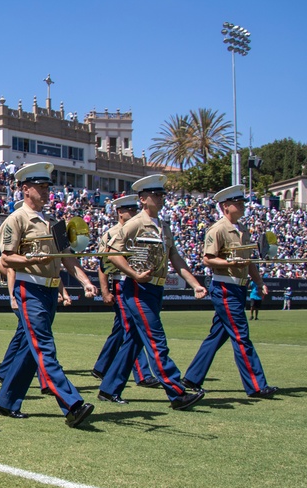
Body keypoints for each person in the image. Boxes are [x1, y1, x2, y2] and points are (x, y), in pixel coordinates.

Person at [0, 163, 98, 426]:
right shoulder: (15, 219)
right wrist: (29, 260)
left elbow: (68, 258)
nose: (45, 191)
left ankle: (6, 402)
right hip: (30, 288)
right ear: (25, 189)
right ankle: (71, 404)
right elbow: (6, 258)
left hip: (50, 290)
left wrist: (85, 281)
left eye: (47, 186)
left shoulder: (54, 223)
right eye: (40, 187)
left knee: (32, 350)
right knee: (44, 348)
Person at [98, 174, 208, 411]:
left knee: (134, 341)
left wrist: (194, 283)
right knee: (156, 340)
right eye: (156, 195)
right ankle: (176, 391)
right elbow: (111, 253)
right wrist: (134, 274)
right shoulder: (135, 224)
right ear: (143, 199)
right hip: (138, 288)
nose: (161, 198)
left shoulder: (163, 225)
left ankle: (109, 388)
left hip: (155, 288)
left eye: (162, 194)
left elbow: (175, 258)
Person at [182, 184, 278, 398]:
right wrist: (230, 261)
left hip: (239, 286)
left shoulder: (242, 229)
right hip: (225, 286)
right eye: (238, 203)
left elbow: (249, 260)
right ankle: (256, 385)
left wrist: (258, 281)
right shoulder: (218, 229)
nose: (242, 206)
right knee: (241, 335)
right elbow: (207, 259)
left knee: (218, 334)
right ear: (226, 206)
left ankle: (192, 377)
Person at [91, 193, 160, 400]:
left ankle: (103, 368)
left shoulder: (140, 228)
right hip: (121, 282)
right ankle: (141, 374)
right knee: (132, 328)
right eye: (128, 210)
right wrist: (105, 291)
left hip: (138, 282)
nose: (132, 213)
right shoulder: (111, 234)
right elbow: (103, 265)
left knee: (124, 329)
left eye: (134, 209)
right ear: (120, 212)